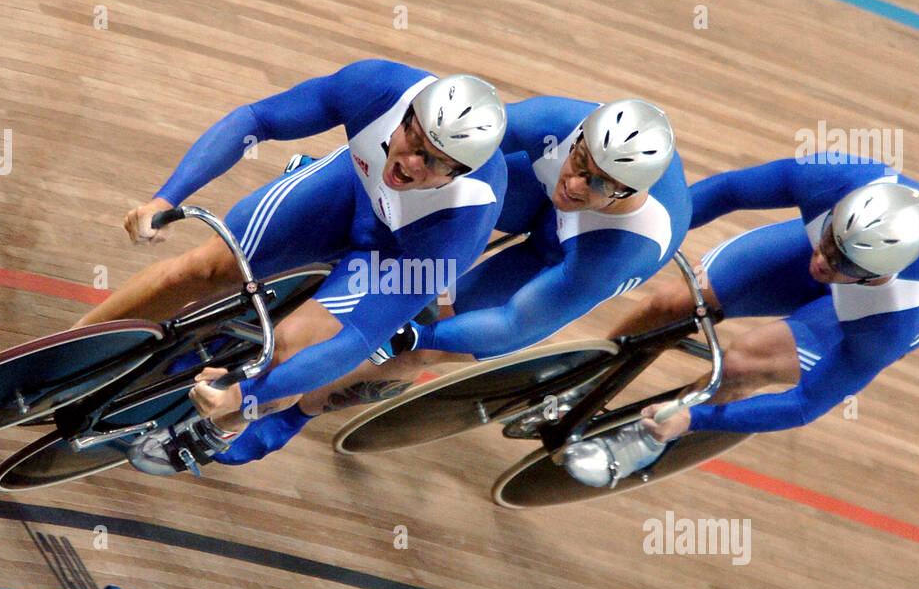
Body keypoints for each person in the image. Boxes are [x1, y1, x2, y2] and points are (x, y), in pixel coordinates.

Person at [73, 59, 509, 474]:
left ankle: (221, 430)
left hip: (394, 255)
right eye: (414, 142)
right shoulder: (378, 88)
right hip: (351, 189)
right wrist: (165, 199)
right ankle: (67, 350)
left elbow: (355, 341)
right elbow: (257, 121)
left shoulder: (460, 226)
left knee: (290, 348)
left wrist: (244, 399)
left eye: (433, 163)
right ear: (408, 116)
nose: (412, 164)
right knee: (200, 269)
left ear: (459, 172)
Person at [205, 96, 692, 465]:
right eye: (581, 163)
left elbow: (514, 322)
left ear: (629, 189)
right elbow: (440, 153)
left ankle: (297, 411)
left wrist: (416, 332)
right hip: (531, 190)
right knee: (438, 206)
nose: (576, 184)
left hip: (571, 248)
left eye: (599, 183)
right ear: (579, 136)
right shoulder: (552, 124)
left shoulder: (622, 249)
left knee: (428, 336)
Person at [573, 156, 919, 486]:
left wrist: (693, 418)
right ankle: (582, 380)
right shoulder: (837, 179)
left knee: (743, 363)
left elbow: (805, 405)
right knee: (679, 300)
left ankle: (647, 438)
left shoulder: (891, 323)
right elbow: (729, 190)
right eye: (829, 241)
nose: (823, 261)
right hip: (847, 256)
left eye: (841, 262)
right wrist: (654, 229)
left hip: (869, 309)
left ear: (876, 273)